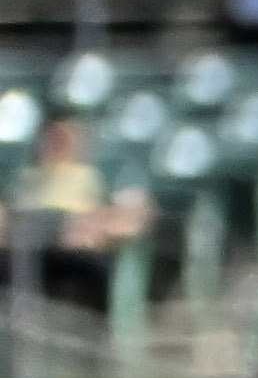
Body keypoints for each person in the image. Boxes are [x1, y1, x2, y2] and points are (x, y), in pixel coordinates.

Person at [8, 116, 154, 315]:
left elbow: (134, 215)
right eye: (52, 137)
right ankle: (24, 314)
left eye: (64, 137)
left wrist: (93, 225)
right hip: (30, 245)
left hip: (78, 243)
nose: (57, 143)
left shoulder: (95, 174)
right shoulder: (27, 178)